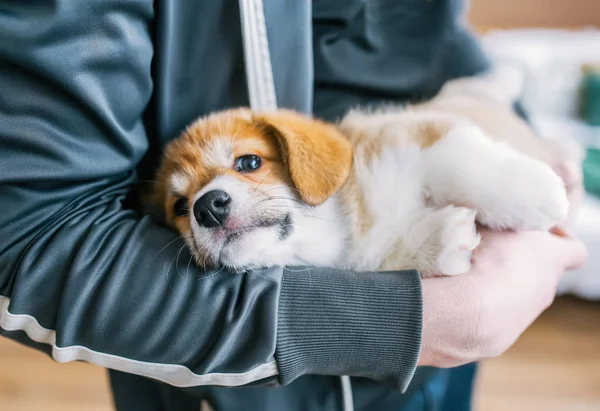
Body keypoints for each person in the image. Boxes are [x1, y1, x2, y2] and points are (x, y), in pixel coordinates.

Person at [0, 1, 586, 410]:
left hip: (429, 384)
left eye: (248, 163)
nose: (204, 203)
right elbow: (31, 237)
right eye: (185, 207)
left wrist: (518, 143)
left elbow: (433, 40)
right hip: (211, 389)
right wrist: (411, 323)